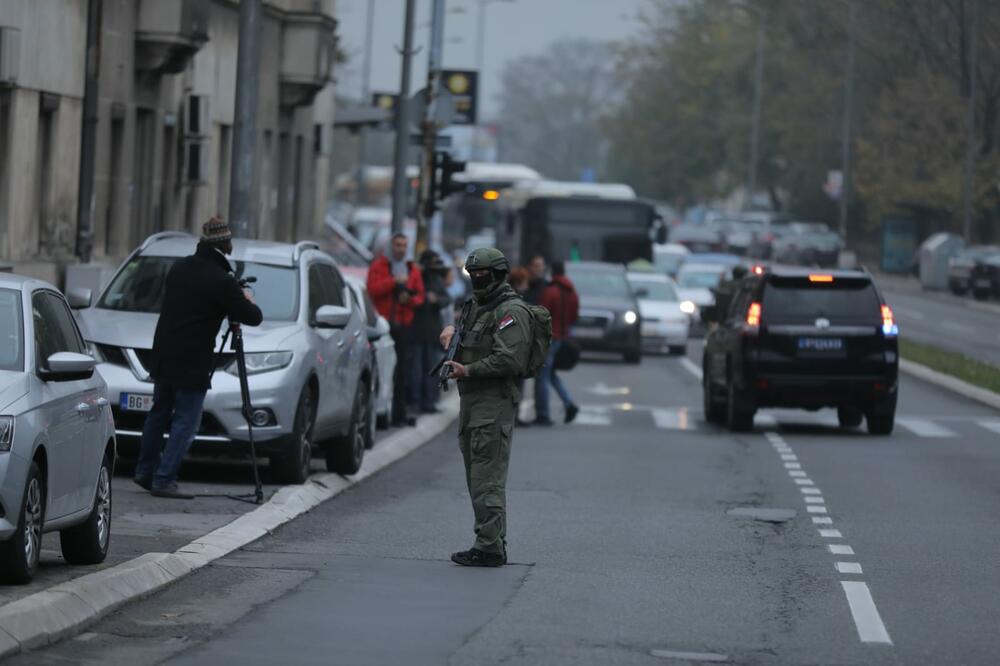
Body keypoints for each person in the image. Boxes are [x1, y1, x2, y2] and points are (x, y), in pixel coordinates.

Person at [134, 218, 263, 499]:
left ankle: (145, 471)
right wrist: (246, 298)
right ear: (224, 244)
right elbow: (253, 317)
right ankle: (165, 478)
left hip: (164, 354)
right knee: (185, 422)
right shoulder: (222, 281)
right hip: (192, 362)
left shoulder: (179, 268)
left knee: (158, 414)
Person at [440, 248, 533, 567]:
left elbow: (511, 358)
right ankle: (490, 540)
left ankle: (489, 547)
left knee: (487, 478)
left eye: (482, 275)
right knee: (477, 477)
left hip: (493, 405)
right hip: (473, 404)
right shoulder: (477, 307)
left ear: (497, 275)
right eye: (472, 274)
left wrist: (468, 370)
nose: (477, 280)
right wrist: (454, 336)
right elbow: (477, 342)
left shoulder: (511, 311)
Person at [367, 233, 425, 427]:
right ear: (392, 247)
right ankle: (377, 414)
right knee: (380, 370)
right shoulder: (379, 266)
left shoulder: (412, 270)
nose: (401, 249)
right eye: (398, 245)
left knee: (402, 372)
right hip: (383, 325)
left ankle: (398, 414)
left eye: (404, 245)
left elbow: (420, 296)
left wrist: (409, 299)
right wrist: (394, 282)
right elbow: (373, 290)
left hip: (404, 324)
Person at [536, 260, 580, 425]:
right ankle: (569, 404)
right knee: (550, 373)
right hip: (562, 336)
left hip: (549, 337)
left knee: (543, 376)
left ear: (552, 271)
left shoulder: (551, 291)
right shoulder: (572, 292)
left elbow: (541, 313)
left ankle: (543, 414)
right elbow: (574, 316)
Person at [410, 250, 452, 413]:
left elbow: (446, 298)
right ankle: (416, 401)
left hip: (433, 330)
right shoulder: (417, 276)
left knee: (431, 368)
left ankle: (429, 401)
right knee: (416, 369)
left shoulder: (436, 279)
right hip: (416, 330)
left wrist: (436, 299)